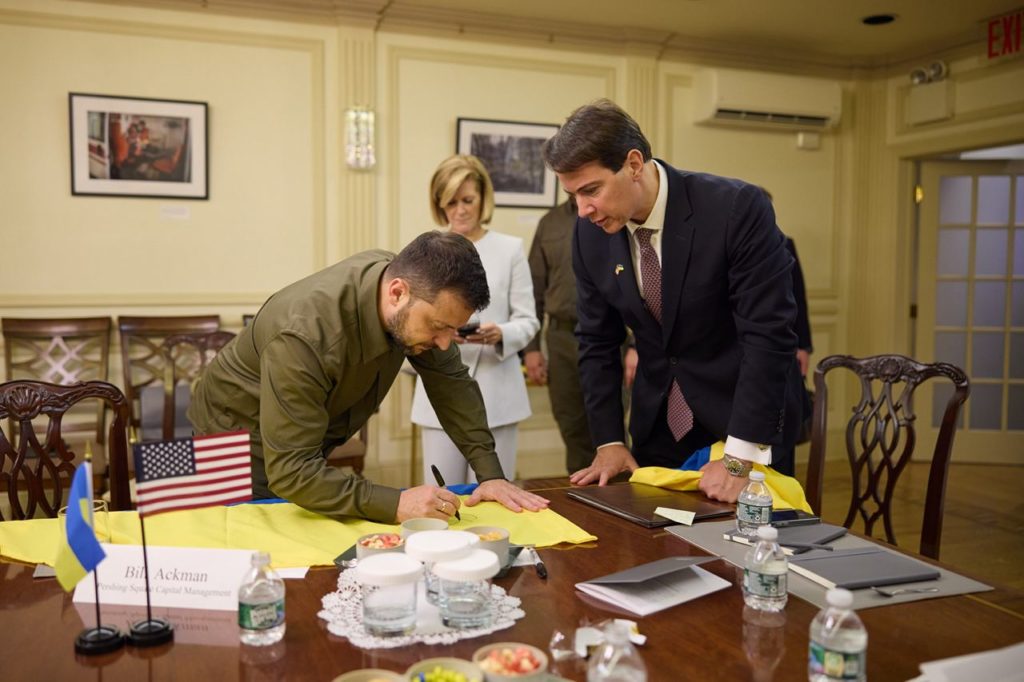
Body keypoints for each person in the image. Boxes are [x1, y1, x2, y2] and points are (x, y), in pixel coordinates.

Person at [187, 230, 549, 523]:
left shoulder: (403, 289)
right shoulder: (303, 336)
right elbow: (291, 470)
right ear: (397, 293)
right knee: (257, 560)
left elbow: (452, 384)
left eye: (451, 330)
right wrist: (397, 503)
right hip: (234, 445)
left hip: (298, 448)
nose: (444, 344)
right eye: (438, 328)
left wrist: (491, 475)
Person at [542, 99, 803, 503]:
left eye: (591, 190)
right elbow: (597, 342)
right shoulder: (590, 235)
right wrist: (609, 440)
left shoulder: (735, 209)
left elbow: (768, 336)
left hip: (744, 425)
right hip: (659, 426)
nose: (582, 210)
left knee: (742, 555)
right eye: (573, 195)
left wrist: (738, 460)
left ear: (632, 164)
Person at [411, 155, 539, 484]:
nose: (461, 210)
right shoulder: (426, 252)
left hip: (499, 394)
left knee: (496, 497)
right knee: (441, 496)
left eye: (468, 200)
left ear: (483, 199)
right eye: (451, 202)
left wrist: (501, 333)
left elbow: (528, 321)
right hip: (439, 389)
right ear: (439, 205)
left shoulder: (511, 249)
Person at [524, 198, 639, 474]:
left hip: (613, 339)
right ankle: (582, 493)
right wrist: (531, 348)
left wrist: (636, 344)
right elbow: (534, 289)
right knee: (571, 425)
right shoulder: (549, 223)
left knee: (611, 423)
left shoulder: (615, 215)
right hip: (561, 338)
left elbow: (642, 282)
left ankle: (619, 494)